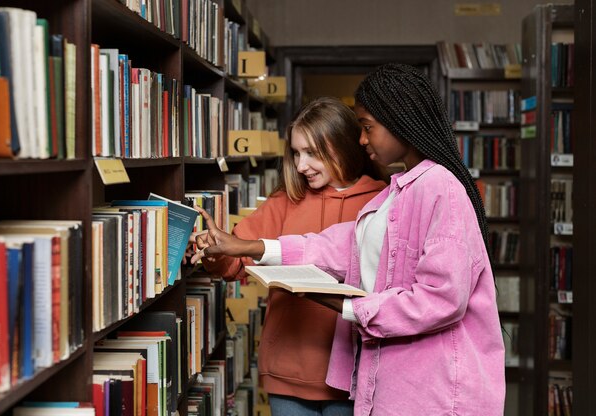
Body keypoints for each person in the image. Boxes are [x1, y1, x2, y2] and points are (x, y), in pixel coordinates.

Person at [191, 63, 505, 416]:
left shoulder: (436, 188)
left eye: (368, 127)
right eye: (296, 153)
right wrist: (245, 247)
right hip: (381, 380)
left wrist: (348, 306)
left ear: (399, 122)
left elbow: (441, 297)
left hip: (427, 388)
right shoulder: (397, 193)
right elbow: (337, 246)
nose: (362, 139)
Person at [193, 96, 386, 416]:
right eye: (296, 153)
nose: (300, 165)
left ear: (345, 145)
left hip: (356, 372)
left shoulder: (381, 199)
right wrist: (212, 251)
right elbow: (235, 260)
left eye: (312, 153)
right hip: (287, 370)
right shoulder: (287, 199)